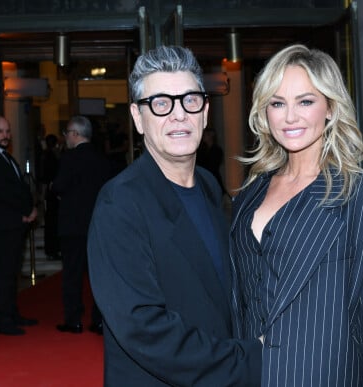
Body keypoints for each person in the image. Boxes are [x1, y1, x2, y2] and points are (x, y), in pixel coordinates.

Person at [229, 44, 363, 386]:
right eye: (277, 103)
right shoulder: (250, 194)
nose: (290, 117)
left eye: (305, 101)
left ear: (330, 108)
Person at [87, 45, 262, 386]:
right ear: (138, 118)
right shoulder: (119, 203)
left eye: (189, 100)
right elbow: (144, 329)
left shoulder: (210, 185)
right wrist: (251, 360)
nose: (179, 115)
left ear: (205, 112)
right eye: (161, 104)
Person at [0, 116, 38, 336]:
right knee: (4, 273)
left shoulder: (6, 158)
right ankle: (3, 320)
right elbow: (0, 192)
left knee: (12, 271)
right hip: (5, 224)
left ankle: (12, 313)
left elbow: (19, 187)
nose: (5, 135)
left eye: (8, 131)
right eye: (0, 131)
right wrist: (23, 211)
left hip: (14, 223)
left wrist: (30, 208)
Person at [52, 115, 112, 335]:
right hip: (97, 226)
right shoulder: (102, 159)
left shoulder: (69, 159)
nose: (65, 137)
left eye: (67, 133)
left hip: (72, 227)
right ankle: (99, 320)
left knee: (72, 274)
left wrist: (55, 189)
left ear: (75, 134)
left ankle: (73, 319)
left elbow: (59, 186)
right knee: (98, 276)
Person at [39, 134, 61, 260]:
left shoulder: (45, 155)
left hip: (49, 192)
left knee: (51, 222)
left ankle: (51, 250)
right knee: (53, 222)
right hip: (53, 193)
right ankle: (53, 250)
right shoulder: (53, 156)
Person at [197, 127, 226, 195]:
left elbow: (213, 166)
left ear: (211, 135)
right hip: (203, 178)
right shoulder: (202, 150)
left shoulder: (217, 150)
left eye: (206, 135)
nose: (203, 137)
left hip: (212, 177)